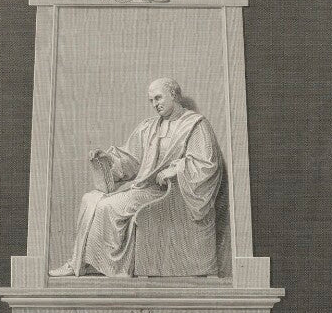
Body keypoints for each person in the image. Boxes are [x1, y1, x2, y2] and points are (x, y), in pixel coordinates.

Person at [48, 78, 222, 277]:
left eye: (158, 98)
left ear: (173, 95)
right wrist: (108, 159)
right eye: (151, 100)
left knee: (108, 206)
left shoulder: (195, 125)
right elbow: (131, 159)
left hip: (170, 193)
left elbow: (206, 165)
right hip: (145, 189)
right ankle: (81, 262)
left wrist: (177, 169)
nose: (155, 104)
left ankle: (107, 265)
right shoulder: (149, 127)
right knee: (90, 199)